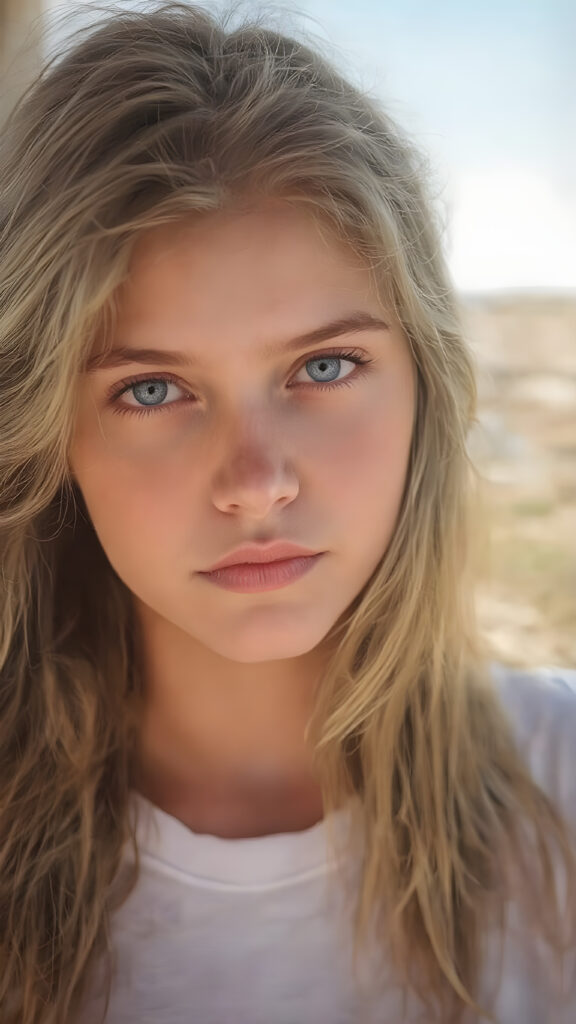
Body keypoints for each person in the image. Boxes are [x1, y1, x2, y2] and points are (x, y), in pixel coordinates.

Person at [0, 3, 574, 1022]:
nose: (257, 481)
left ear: (425, 388)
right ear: (49, 431)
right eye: (150, 389)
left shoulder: (559, 791)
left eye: (323, 366)